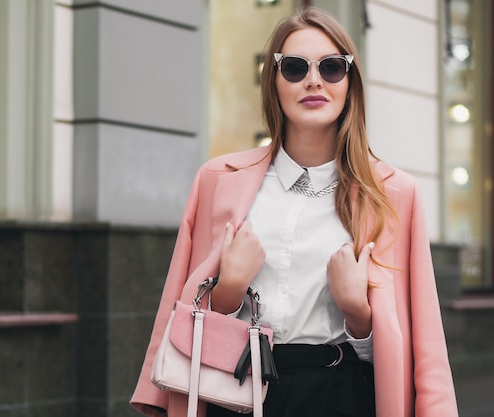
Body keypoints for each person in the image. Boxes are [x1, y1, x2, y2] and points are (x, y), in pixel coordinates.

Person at [131, 7, 458, 417]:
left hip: (340, 395)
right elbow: (180, 307)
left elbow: (420, 338)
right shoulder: (217, 179)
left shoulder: (394, 193)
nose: (314, 80)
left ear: (349, 83)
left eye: (333, 67)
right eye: (295, 68)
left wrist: (358, 312)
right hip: (233, 391)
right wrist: (228, 291)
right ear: (275, 82)